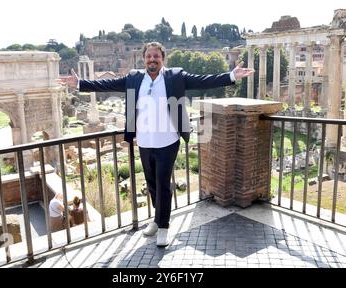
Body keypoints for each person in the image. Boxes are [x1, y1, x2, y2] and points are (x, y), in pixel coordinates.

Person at [56, 41, 254, 247]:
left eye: (156, 56)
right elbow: (105, 84)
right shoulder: (134, 78)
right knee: (151, 183)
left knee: (163, 185)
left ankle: (164, 227)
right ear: (144, 59)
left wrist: (231, 76)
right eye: (149, 56)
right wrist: (79, 84)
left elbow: (203, 80)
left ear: (162, 58)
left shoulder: (175, 76)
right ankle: (157, 219)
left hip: (168, 141)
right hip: (144, 141)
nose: (152, 59)